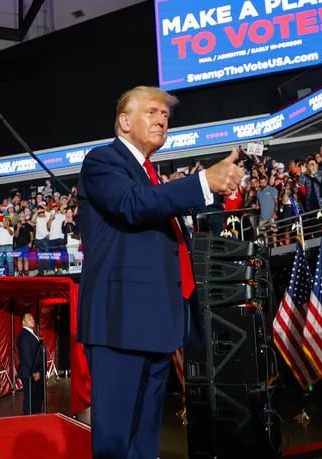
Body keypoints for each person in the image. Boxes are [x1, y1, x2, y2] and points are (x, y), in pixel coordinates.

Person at [77, 85, 243, 459]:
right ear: (124, 122)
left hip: (157, 321)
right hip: (120, 321)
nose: (162, 120)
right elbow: (133, 206)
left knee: (144, 441)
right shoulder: (103, 161)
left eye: (165, 115)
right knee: (116, 441)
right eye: (151, 112)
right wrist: (203, 182)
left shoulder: (151, 176)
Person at [16, 313, 44, 415]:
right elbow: (26, 355)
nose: (32, 319)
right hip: (30, 372)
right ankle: (29, 419)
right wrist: (35, 371)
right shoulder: (24, 335)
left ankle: (36, 418)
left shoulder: (32, 334)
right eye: (29, 318)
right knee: (30, 398)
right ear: (23, 322)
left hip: (35, 371)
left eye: (32, 317)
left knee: (36, 397)